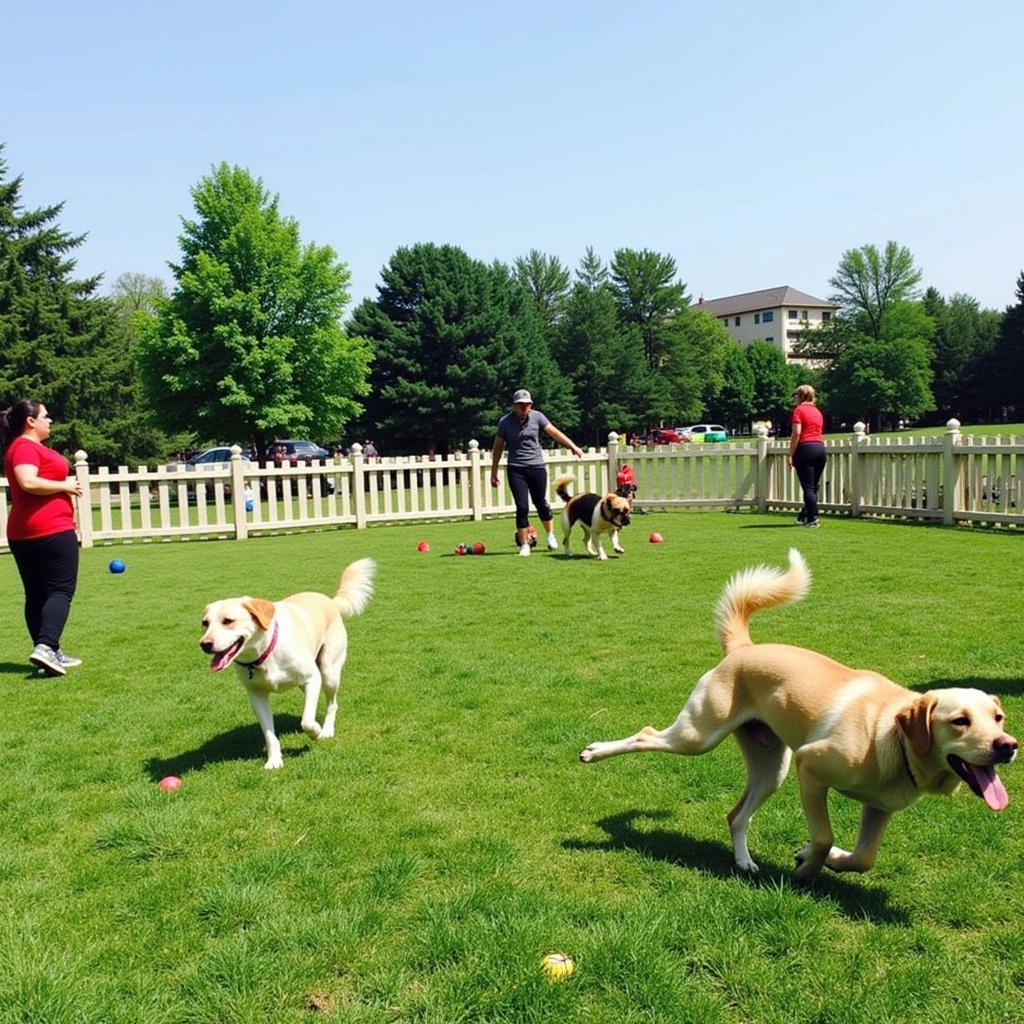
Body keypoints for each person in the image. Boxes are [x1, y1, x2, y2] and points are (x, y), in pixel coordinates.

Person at [1, 399, 84, 675]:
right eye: (46, 416)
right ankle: (46, 646)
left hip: (24, 532)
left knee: (36, 593)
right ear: (31, 421)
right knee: (59, 590)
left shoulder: (22, 447)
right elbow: (28, 481)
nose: (50, 421)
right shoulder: (24, 447)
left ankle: (50, 651)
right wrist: (65, 485)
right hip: (50, 529)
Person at [490, 388, 583, 556]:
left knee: (540, 503)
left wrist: (573, 446)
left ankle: (550, 535)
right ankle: (524, 545)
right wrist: (494, 471)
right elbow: (497, 447)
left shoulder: (538, 417)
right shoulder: (505, 422)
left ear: (531, 405)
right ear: (514, 406)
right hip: (516, 468)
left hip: (537, 467)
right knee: (522, 507)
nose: (524, 408)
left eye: (527, 405)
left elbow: (555, 433)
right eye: (520, 405)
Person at [789, 384, 826, 528]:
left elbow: (797, 432)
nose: (794, 399)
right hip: (820, 448)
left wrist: (791, 454)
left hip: (805, 448)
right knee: (813, 487)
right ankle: (803, 515)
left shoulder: (798, 410)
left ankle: (813, 518)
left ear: (800, 396)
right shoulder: (817, 411)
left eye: (796, 396)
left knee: (808, 488)